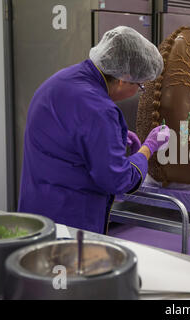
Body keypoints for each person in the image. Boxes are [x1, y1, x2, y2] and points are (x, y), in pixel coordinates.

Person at [19, 26, 170, 234]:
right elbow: (118, 179)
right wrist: (148, 148)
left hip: (36, 213)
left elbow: (67, 133)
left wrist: (109, 137)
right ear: (123, 78)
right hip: (70, 221)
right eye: (140, 86)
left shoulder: (59, 82)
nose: (138, 92)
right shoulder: (100, 110)